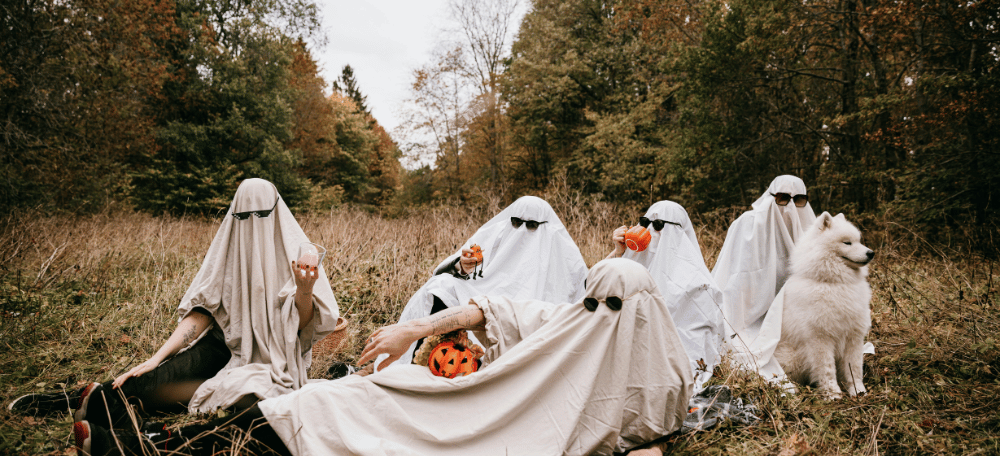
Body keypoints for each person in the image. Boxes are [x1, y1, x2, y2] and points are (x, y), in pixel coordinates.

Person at [75, 259, 693, 456]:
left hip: (503, 441)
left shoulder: (664, 375)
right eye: (592, 298)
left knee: (337, 422)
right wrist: (416, 327)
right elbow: (489, 309)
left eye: (608, 303)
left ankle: (146, 450)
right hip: (465, 402)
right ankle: (152, 445)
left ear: (642, 310)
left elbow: (652, 434)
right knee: (332, 398)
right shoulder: (572, 322)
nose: (595, 311)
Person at [10, 178, 341, 430]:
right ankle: (72, 399)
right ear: (234, 215)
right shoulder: (228, 248)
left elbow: (303, 327)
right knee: (149, 382)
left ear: (276, 214)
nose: (251, 223)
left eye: (260, 215)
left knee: (248, 404)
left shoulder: (299, 255)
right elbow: (203, 312)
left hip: (275, 358)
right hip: (224, 346)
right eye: (244, 215)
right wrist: (156, 358)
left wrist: (304, 291)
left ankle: (104, 409)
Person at [389, 195, 588, 367]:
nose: (522, 230)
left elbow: (582, 282)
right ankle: (421, 358)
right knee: (440, 286)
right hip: (486, 291)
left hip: (531, 305)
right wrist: (464, 265)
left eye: (531, 226)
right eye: (517, 223)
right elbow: (465, 262)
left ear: (543, 224)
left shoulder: (558, 242)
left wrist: (618, 254)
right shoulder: (500, 230)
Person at [607, 201, 725, 391]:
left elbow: (694, 344)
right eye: (646, 222)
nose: (651, 231)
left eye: (659, 225)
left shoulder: (697, 284)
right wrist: (618, 252)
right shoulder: (633, 265)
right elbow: (594, 289)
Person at [710, 175, 816, 380]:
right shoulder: (748, 224)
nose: (791, 207)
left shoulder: (810, 228)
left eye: (799, 200)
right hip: (751, 309)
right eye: (783, 198)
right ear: (771, 197)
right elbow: (737, 274)